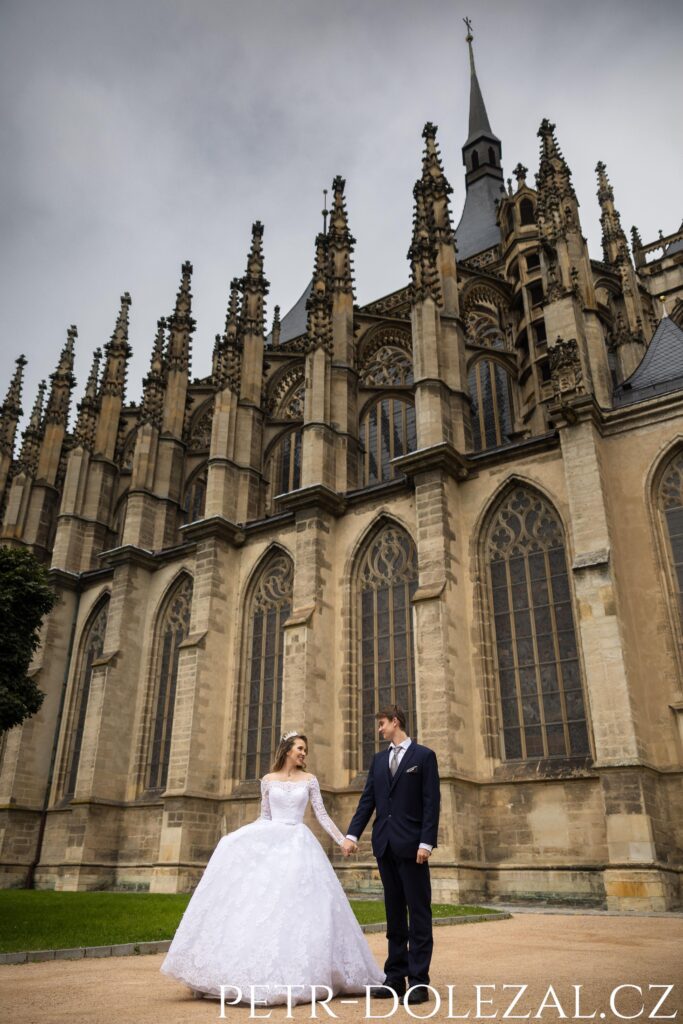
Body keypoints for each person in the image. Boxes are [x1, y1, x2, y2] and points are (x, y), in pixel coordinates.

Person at [159, 731, 384, 1005]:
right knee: (264, 907)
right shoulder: (267, 781)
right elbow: (264, 817)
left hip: (299, 845)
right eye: (300, 748)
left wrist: (343, 840)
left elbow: (321, 814)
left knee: (297, 906)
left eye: (306, 750)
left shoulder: (310, 781)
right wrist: (238, 838)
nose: (304, 753)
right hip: (271, 842)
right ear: (287, 749)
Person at [342, 705, 440, 1006]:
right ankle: (395, 978)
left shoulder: (423, 757)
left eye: (382, 724)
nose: (380, 729)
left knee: (418, 915)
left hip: (413, 848)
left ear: (395, 722)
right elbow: (368, 799)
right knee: (394, 915)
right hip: (384, 845)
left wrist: (426, 843)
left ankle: (419, 982)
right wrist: (352, 834)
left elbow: (431, 803)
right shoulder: (379, 760)